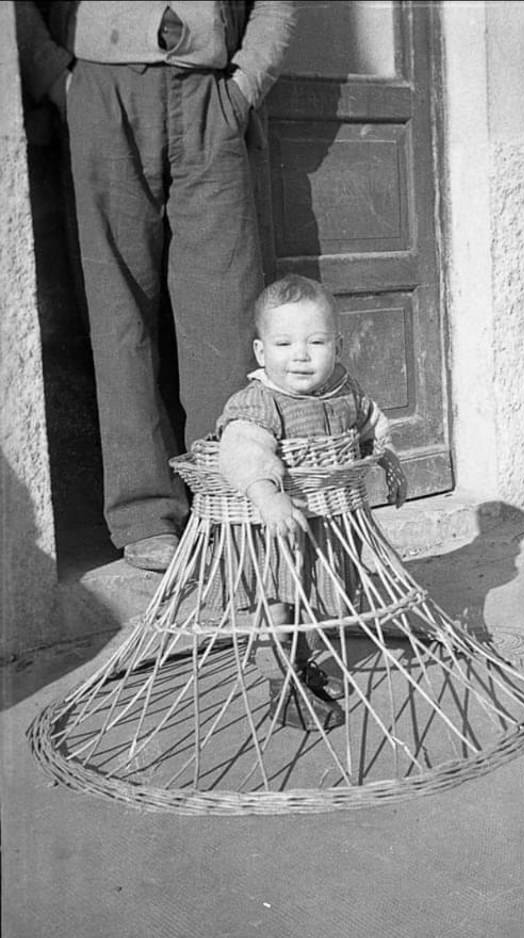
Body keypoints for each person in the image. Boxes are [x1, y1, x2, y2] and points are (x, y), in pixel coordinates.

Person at [15, 1, 297, 571]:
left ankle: (228, 501)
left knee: (226, 313)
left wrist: (244, 87)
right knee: (118, 313)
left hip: (211, 97)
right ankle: (144, 514)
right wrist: (52, 75)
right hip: (101, 90)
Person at [217, 273, 408, 727]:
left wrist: (389, 460)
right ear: (262, 352)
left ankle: (302, 669)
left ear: (337, 346)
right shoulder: (261, 402)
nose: (300, 356)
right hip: (280, 527)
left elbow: (371, 428)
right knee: (278, 605)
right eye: (283, 345)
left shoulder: (345, 389)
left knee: (309, 602)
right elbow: (241, 451)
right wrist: (266, 497)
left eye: (316, 342)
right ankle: (281, 686)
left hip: (325, 526)